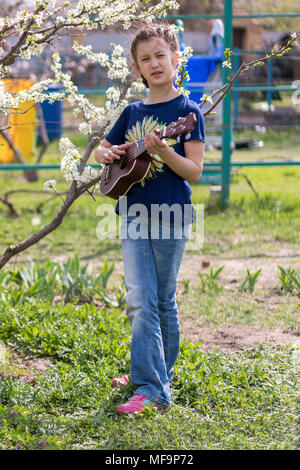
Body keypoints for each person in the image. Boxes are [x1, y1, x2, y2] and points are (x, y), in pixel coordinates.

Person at [94, 23, 205, 415]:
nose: (154, 63)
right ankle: (149, 382)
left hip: (171, 215)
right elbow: (102, 152)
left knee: (162, 300)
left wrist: (162, 152)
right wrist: (106, 156)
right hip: (132, 214)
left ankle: (155, 376)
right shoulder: (132, 111)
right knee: (140, 301)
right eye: (145, 59)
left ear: (176, 58)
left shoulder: (186, 112)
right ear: (138, 69)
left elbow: (193, 171)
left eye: (161, 55)